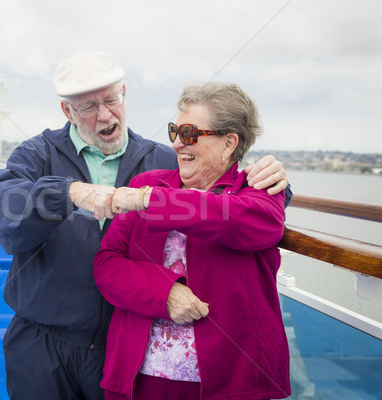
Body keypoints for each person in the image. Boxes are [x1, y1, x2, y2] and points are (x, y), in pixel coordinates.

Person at [0, 52, 289, 400]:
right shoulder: (38, 154)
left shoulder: (161, 162)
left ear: (124, 93)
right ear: (67, 111)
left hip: (116, 346)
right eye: (88, 107)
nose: (105, 115)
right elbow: (1, 208)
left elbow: (226, 195)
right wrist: (70, 193)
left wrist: (275, 183)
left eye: (111, 100)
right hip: (43, 345)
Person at [93, 81, 291, 400]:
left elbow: (250, 221)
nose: (176, 144)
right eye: (175, 131)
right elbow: (107, 265)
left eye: (188, 134)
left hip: (231, 384)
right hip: (139, 379)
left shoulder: (257, 191)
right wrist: (164, 291)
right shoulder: (148, 184)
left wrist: (149, 201)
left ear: (228, 143)